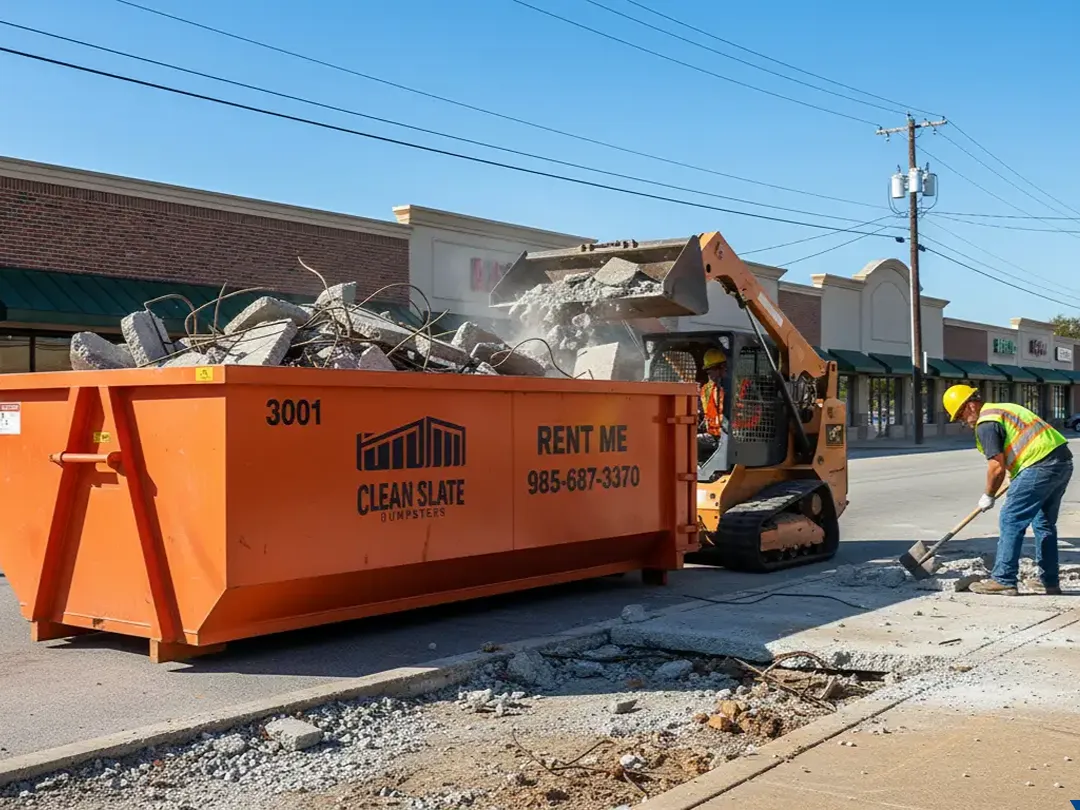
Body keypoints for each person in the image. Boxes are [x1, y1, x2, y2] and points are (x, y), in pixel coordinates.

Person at [943, 383, 1073, 595]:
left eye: (960, 415)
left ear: (971, 406)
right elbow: (1020, 446)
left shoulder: (986, 423)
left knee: (1010, 518)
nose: (962, 421)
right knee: (1044, 524)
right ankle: (1049, 582)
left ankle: (1003, 578)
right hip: (1061, 463)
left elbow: (996, 467)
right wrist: (1018, 476)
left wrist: (988, 495)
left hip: (1038, 466)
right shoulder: (1003, 409)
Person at [697, 348, 727, 459]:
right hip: (714, 436)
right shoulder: (707, 390)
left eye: (712, 371)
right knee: (689, 442)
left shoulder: (741, 387)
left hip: (735, 438)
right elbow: (703, 413)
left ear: (722, 368)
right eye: (708, 372)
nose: (710, 376)